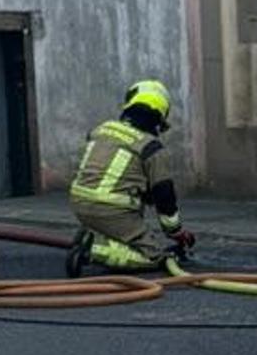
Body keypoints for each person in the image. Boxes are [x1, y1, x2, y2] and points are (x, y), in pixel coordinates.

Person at [66, 80, 195, 276]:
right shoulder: (150, 147)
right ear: (159, 117)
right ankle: (92, 250)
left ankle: (94, 234)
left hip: (78, 202)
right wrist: (175, 232)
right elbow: (164, 196)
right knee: (154, 256)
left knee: (122, 226)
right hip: (111, 210)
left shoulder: (100, 130)